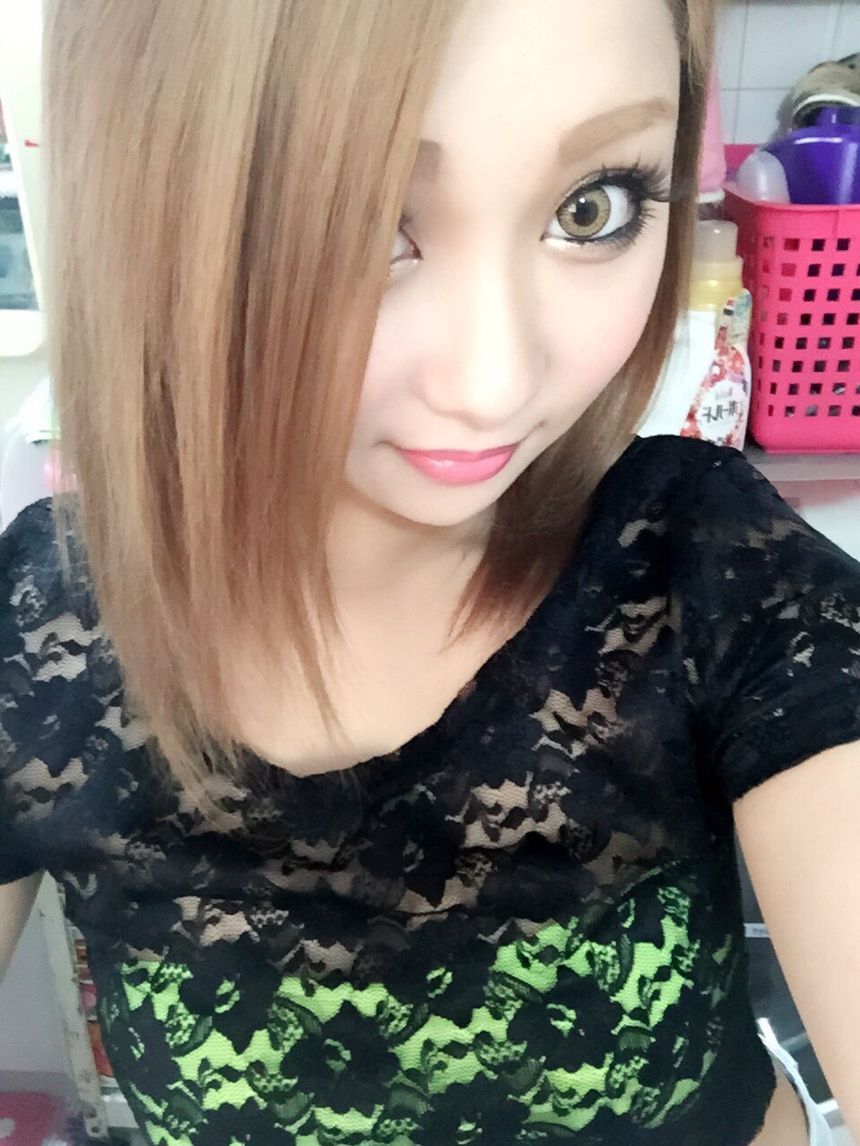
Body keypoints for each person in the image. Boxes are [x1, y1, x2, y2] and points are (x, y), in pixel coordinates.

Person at [1, 1, 858, 1143]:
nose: (495, 381)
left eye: (593, 207)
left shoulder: (706, 568)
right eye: (362, 227)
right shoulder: (43, 631)